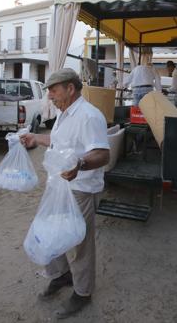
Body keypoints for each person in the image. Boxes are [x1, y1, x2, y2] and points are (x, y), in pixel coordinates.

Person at [20, 68, 110, 319]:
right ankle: (61, 276)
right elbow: (62, 143)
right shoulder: (65, 114)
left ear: (70, 89)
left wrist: (80, 165)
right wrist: (36, 138)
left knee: (79, 243)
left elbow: (103, 154)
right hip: (58, 185)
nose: (49, 96)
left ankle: (83, 293)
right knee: (50, 231)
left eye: (53, 90)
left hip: (80, 189)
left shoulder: (89, 116)